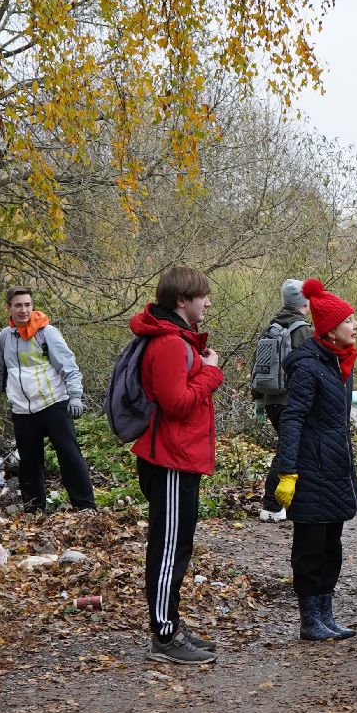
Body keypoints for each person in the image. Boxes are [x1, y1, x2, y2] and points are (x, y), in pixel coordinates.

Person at [129, 267, 224, 665]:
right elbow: (178, 403)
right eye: (201, 296)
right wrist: (211, 371)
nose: (207, 303)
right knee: (169, 549)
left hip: (179, 457)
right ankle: (164, 637)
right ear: (182, 301)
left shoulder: (179, 340)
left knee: (177, 545)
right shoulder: (169, 343)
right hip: (169, 458)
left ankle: (171, 626)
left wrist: (202, 367)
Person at [273, 278, 357, 643]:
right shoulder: (309, 367)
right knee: (311, 549)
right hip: (311, 471)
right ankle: (309, 619)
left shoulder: (339, 362)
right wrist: (288, 472)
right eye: (348, 321)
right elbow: (292, 419)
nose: (355, 325)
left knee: (332, 547)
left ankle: (325, 614)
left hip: (335, 469)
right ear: (330, 330)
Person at [0, 287, 96, 512]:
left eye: (27, 304)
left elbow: (69, 366)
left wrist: (75, 396)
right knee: (29, 463)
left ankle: (85, 507)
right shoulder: (4, 338)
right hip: (23, 411)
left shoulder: (47, 333)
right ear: (9, 308)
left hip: (53, 404)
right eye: (18, 305)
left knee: (69, 456)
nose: (24, 310)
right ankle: (34, 510)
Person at [253, 279, 312, 523]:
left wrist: (258, 399)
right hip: (290, 401)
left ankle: (280, 503)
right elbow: (308, 368)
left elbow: (257, 364)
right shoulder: (301, 329)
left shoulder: (273, 326)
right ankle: (273, 505)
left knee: (286, 450)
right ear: (305, 302)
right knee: (287, 451)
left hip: (270, 400)